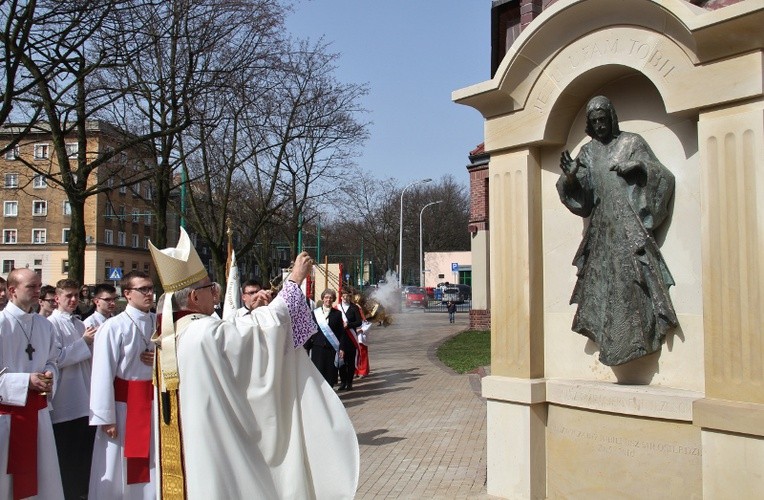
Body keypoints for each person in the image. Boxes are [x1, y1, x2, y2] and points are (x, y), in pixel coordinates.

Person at [148, 228, 358, 498]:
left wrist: (252, 310)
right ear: (193, 297)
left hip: (189, 445)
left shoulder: (172, 335)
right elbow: (260, 334)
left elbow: (234, 330)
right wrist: (293, 282)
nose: (215, 293)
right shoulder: (202, 333)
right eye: (209, 288)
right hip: (217, 446)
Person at [557, 95, 678, 366]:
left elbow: (664, 177)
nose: (599, 126)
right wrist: (572, 177)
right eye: (594, 121)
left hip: (628, 226)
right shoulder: (588, 152)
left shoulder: (632, 143)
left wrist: (638, 167)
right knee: (602, 287)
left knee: (635, 283)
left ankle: (637, 342)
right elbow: (583, 202)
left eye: (603, 120)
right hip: (601, 231)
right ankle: (611, 345)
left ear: (612, 118)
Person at [88, 271, 156, 499]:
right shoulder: (113, 327)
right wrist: (106, 417)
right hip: (123, 407)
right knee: (118, 467)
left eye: (150, 288)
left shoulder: (159, 323)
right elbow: (101, 373)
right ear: (127, 294)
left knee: (151, 464)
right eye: (143, 289)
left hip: (153, 405)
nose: (149, 293)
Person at [0, 268, 64, 500]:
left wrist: (50, 374)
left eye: (39, 286)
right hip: (7, 418)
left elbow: (52, 360)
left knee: (43, 477)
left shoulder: (45, 325)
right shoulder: (1, 324)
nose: (38, 291)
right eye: (31, 287)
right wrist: (26, 380)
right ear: (11, 291)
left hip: (38, 414)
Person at [48, 279, 97, 500]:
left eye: (77, 295)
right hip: (65, 400)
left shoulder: (79, 324)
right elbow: (55, 359)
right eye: (68, 295)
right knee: (66, 455)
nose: (74, 300)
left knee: (83, 455)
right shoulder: (51, 324)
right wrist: (84, 343)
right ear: (57, 298)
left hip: (84, 396)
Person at [305, 289, 344, 388]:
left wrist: (342, 348)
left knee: (330, 373)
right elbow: (310, 330)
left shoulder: (337, 314)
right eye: (326, 297)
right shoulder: (315, 313)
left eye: (331, 298)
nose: (328, 299)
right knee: (318, 372)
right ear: (323, 299)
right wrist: (306, 347)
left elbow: (341, 333)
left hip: (331, 349)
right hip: (318, 347)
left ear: (333, 300)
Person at [338, 289, 362, 384]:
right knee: (341, 361)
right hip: (341, 338)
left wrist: (348, 325)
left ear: (350, 297)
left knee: (350, 361)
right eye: (343, 295)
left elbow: (359, 322)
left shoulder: (354, 308)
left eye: (347, 295)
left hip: (351, 338)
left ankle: (349, 383)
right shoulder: (337, 308)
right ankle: (343, 382)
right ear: (341, 297)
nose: (345, 297)